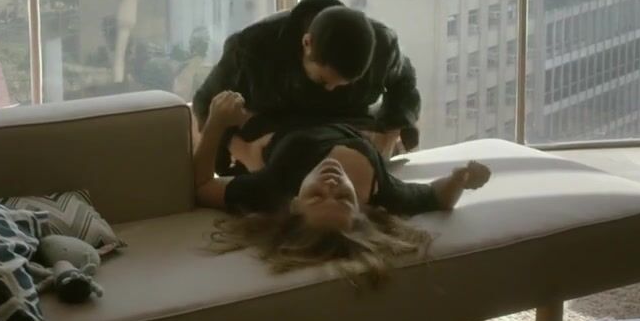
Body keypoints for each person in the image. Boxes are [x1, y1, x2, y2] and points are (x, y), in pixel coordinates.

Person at [193, 91, 491, 279]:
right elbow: (437, 197)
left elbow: (203, 185)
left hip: (280, 116)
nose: (331, 184)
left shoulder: (274, 187)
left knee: (228, 115)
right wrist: (460, 179)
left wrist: (216, 123)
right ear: (363, 207)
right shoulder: (382, 191)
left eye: (316, 195)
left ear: (295, 203)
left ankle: (247, 153)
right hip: (346, 116)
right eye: (343, 198)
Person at [192, 0, 421, 175]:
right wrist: (244, 152)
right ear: (307, 44)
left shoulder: (383, 46)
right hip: (274, 130)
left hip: (347, 127)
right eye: (323, 80)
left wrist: (389, 133)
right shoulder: (253, 47)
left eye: (344, 84)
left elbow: (405, 84)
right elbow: (205, 103)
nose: (330, 90)